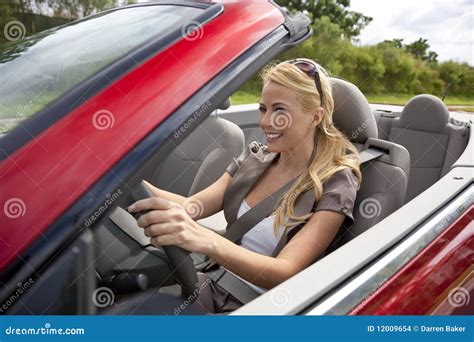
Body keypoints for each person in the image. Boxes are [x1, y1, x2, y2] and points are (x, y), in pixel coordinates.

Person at [127, 58, 361, 314]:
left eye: (279, 110)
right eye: (263, 109)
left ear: (315, 117)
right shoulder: (255, 158)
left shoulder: (337, 181)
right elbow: (192, 207)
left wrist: (205, 240)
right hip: (213, 284)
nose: (266, 121)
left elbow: (287, 271)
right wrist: (125, 180)